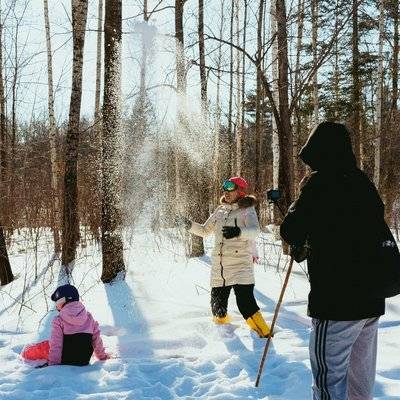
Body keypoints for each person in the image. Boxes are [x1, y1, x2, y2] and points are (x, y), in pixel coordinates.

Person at [280, 121, 386, 400]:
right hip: (370, 302)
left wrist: (300, 198)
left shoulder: (319, 184)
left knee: (329, 386)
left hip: (336, 303)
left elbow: (291, 230)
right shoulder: (363, 182)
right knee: (359, 388)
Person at [176, 177, 271, 337]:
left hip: (241, 265)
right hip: (220, 268)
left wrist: (238, 232)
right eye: (225, 190)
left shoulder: (247, 210)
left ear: (240, 191)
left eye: (230, 190)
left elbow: (255, 231)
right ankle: (225, 337)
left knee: (245, 304)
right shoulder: (220, 210)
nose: (226, 193)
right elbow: (205, 230)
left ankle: (264, 334)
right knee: (217, 307)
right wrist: (188, 225)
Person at [22, 284, 108, 367]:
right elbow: (97, 341)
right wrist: (102, 356)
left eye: (56, 302)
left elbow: (56, 343)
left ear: (62, 301)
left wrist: (53, 363)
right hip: (83, 360)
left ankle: (25, 352)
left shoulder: (59, 320)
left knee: (45, 346)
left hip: (64, 359)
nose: (56, 305)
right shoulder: (89, 317)